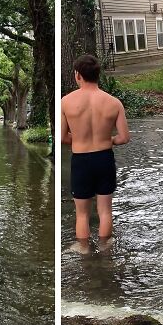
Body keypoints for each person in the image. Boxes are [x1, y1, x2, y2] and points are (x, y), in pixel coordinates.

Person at [61, 54, 130, 250]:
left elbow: (63, 137)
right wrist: (108, 140)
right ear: (98, 75)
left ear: (77, 75)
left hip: (81, 161)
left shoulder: (66, 102)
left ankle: (83, 251)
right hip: (104, 158)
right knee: (105, 211)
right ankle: (105, 249)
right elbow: (124, 137)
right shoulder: (114, 103)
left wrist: (81, 140)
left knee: (82, 214)